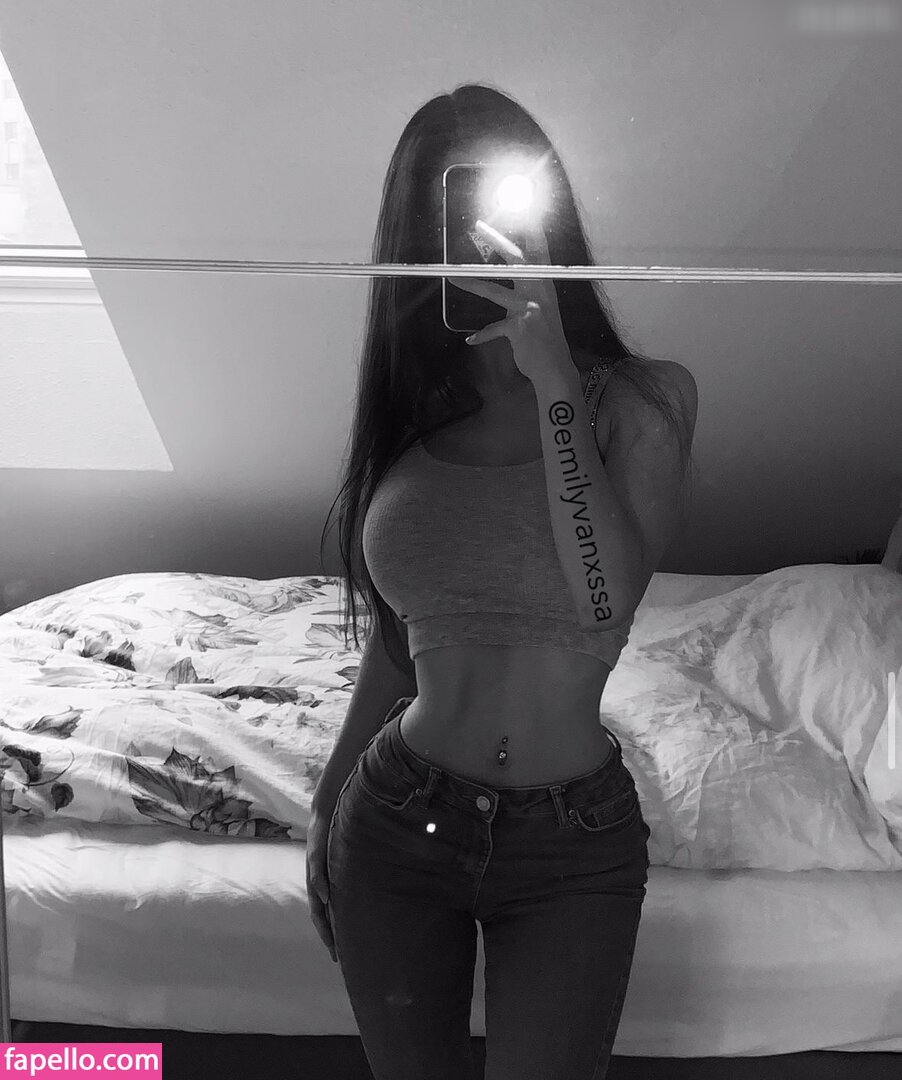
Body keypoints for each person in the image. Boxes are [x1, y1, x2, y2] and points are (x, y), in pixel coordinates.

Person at [309, 83, 698, 1080]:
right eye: (440, 219)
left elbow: (603, 602)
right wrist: (326, 799)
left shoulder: (643, 400)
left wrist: (553, 380)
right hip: (395, 821)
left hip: (570, 844)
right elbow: (400, 639)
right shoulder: (409, 414)